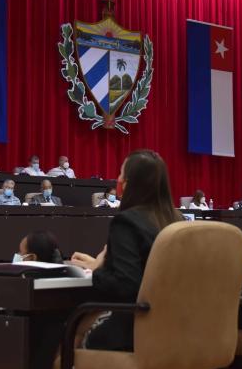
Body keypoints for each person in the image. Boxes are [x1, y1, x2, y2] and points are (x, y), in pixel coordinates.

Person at [70, 150, 182, 351]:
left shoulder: (127, 222)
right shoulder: (178, 220)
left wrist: (98, 270)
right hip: (178, 329)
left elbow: (126, 285)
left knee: (64, 338)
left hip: (135, 331)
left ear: (131, 183)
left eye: (121, 173)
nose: (118, 179)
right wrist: (104, 262)